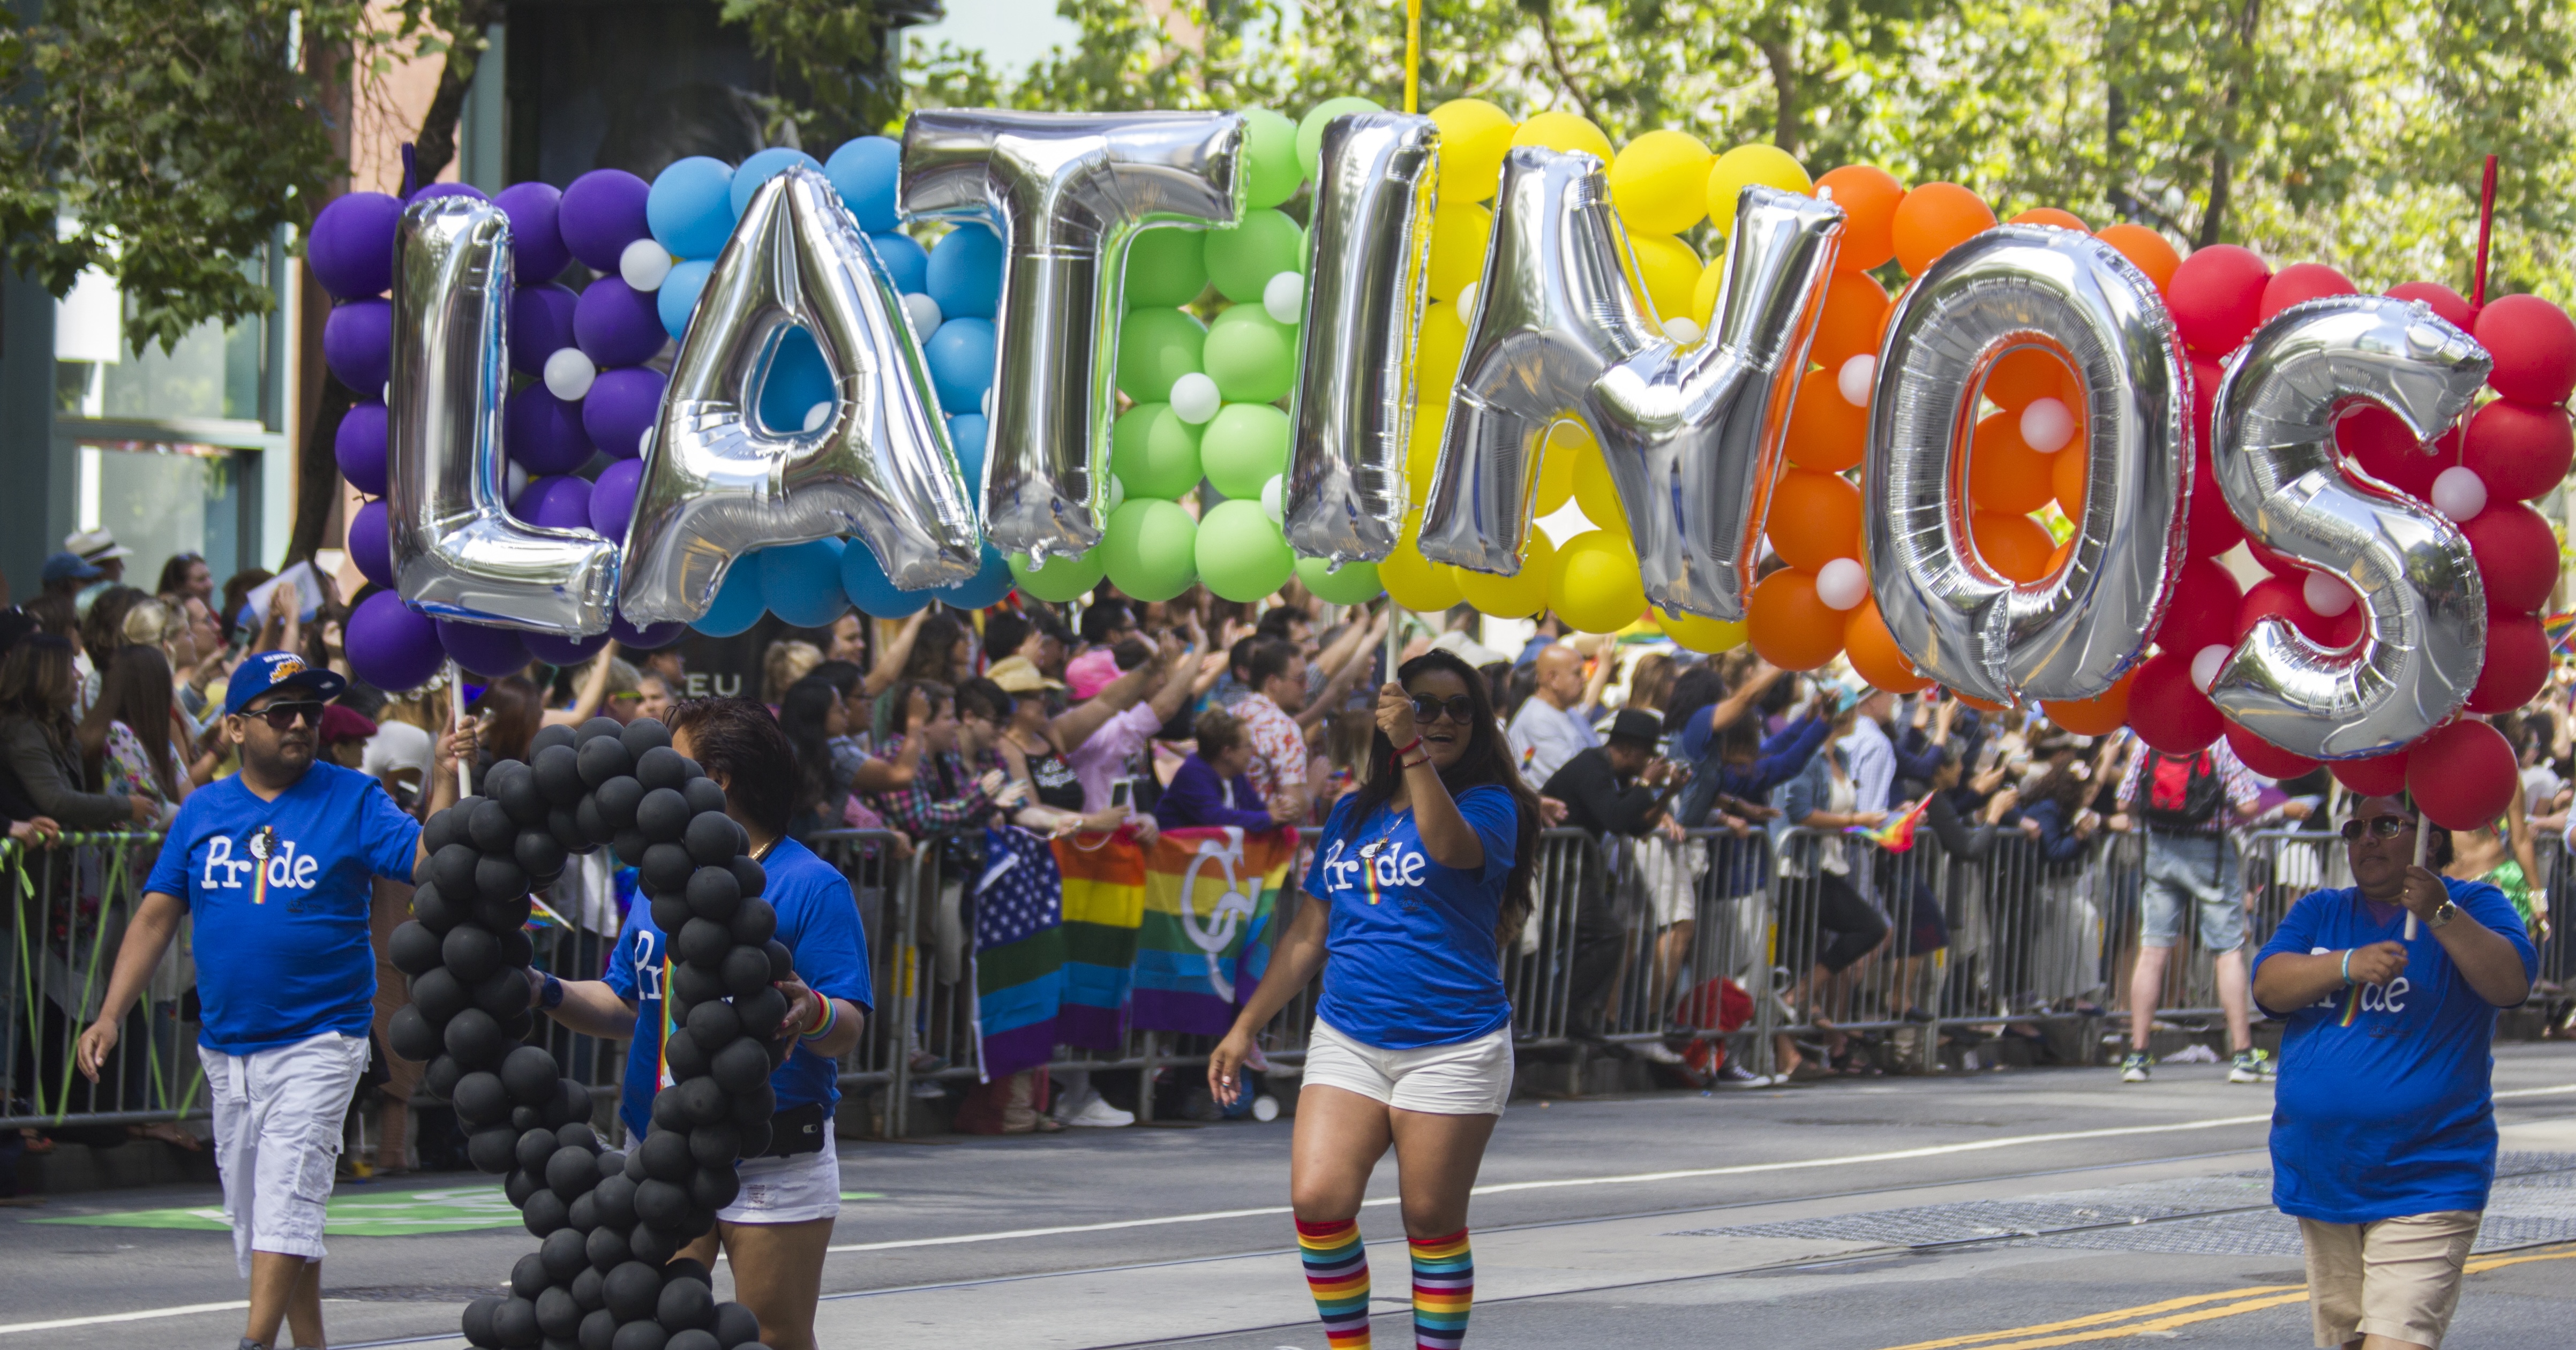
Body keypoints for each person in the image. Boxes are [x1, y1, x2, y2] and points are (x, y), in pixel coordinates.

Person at [73, 651, 471, 1350]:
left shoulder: (351, 796)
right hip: (228, 1047)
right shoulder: (201, 810)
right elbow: (156, 916)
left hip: (322, 1037)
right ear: (233, 727)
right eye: (280, 712)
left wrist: (442, 778)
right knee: (262, 1212)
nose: (299, 724)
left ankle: (254, 1342)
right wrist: (109, 1012)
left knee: (289, 1190)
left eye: (310, 713)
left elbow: (425, 864)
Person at [1211, 648, 1538, 1350]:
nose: (1442, 719)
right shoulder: (1353, 815)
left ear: (1478, 723)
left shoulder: (1492, 804)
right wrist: (1244, 1027)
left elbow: (1447, 847)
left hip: (1453, 1043)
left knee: (1430, 1220)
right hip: (1350, 1037)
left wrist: (1411, 750)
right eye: (1424, 704)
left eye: (1458, 707)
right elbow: (1308, 933)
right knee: (1319, 1201)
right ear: (1398, 708)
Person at [532, 698, 869, 1350]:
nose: (645, 775)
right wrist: (540, 989)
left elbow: (848, 1027)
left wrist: (812, 1009)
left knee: (772, 1334)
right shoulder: (661, 882)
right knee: (651, 1327)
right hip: (658, 1150)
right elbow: (624, 1002)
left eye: (668, 759)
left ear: (716, 780)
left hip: (770, 1157)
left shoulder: (810, 883)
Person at [2251, 794, 2535, 1350]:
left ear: (2429, 835)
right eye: (2355, 828)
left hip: (2427, 1175)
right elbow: (2268, 987)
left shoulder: (2479, 902)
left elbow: (2511, 983)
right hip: (2325, 1177)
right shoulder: (2320, 910)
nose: (2367, 839)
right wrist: (2345, 964)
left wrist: (2439, 912)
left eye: (2386, 824)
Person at [2109, 736, 2266, 1084]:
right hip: (2209, 854)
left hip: (2160, 849)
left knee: (2151, 950)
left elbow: (2123, 802)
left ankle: (2137, 1053)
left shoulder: (2149, 740)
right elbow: (2249, 806)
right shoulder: (2219, 742)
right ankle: (2241, 1054)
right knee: (2227, 952)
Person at [0, 635, 155, 832]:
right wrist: (127, 807)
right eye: (71, 668)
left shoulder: (57, 727)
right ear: (50, 674)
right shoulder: (22, 731)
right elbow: (56, 801)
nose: (80, 676)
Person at [77, 644, 193, 826]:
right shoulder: (117, 734)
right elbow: (155, 813)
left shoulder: (160, 742)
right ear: (153, 691)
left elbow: (191, 802)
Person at [1157, 708, 1300, 832]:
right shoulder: (1192, 774)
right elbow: (1215, 819)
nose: (1253, 750)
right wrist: (1268, 817)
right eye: (1248, 745)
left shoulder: (1235, 775)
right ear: (1227, 752)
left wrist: (1279, 810)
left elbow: (1253, 809)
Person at [1235, 638, 1314, 822]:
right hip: (1272, 841)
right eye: (1300, 679)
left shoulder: (1231, 714)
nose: (1307, 687)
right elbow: (1293, 806)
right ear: (1273, 682)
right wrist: (1314, 788)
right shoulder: (1283, 727)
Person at [1506, 643, 1601, 787]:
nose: (1585, 679)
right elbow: (1576, 779)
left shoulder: (1570, 713)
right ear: (1553, 678)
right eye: (1577, 673)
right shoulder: (1537, 720)